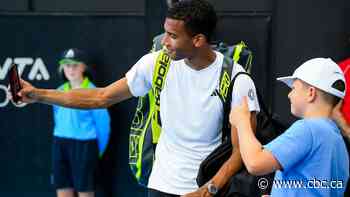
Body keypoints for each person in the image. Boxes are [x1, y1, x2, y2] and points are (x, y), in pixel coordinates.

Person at [15, 1, 260, 196]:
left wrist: (210, 188)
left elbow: (242, 150)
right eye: (164, 33)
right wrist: (37, 94)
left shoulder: (237, 79)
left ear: (198, 40)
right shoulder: (155, 63)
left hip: (207, 188)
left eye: (172, 36)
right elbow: (101, 97)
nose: (164, 42)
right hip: (160, 184)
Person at [230, 57, 349, 196]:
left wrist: (242, 122)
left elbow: (254, 163)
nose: (289, 94)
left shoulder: (307, 129)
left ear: (311, 93)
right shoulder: (339, 142)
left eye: (293, 88)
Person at [52, 49, 111, 197]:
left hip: (85, 145)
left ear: (83, 67)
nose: (71, 69)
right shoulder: (59, 91)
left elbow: (103, 126)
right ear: (62, 68)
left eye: (75, 65)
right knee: (62, 186)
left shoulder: (93, 92)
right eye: (67, 65)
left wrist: (96, 150)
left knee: (84, 189)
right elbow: (57, 118)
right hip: (60, 143)